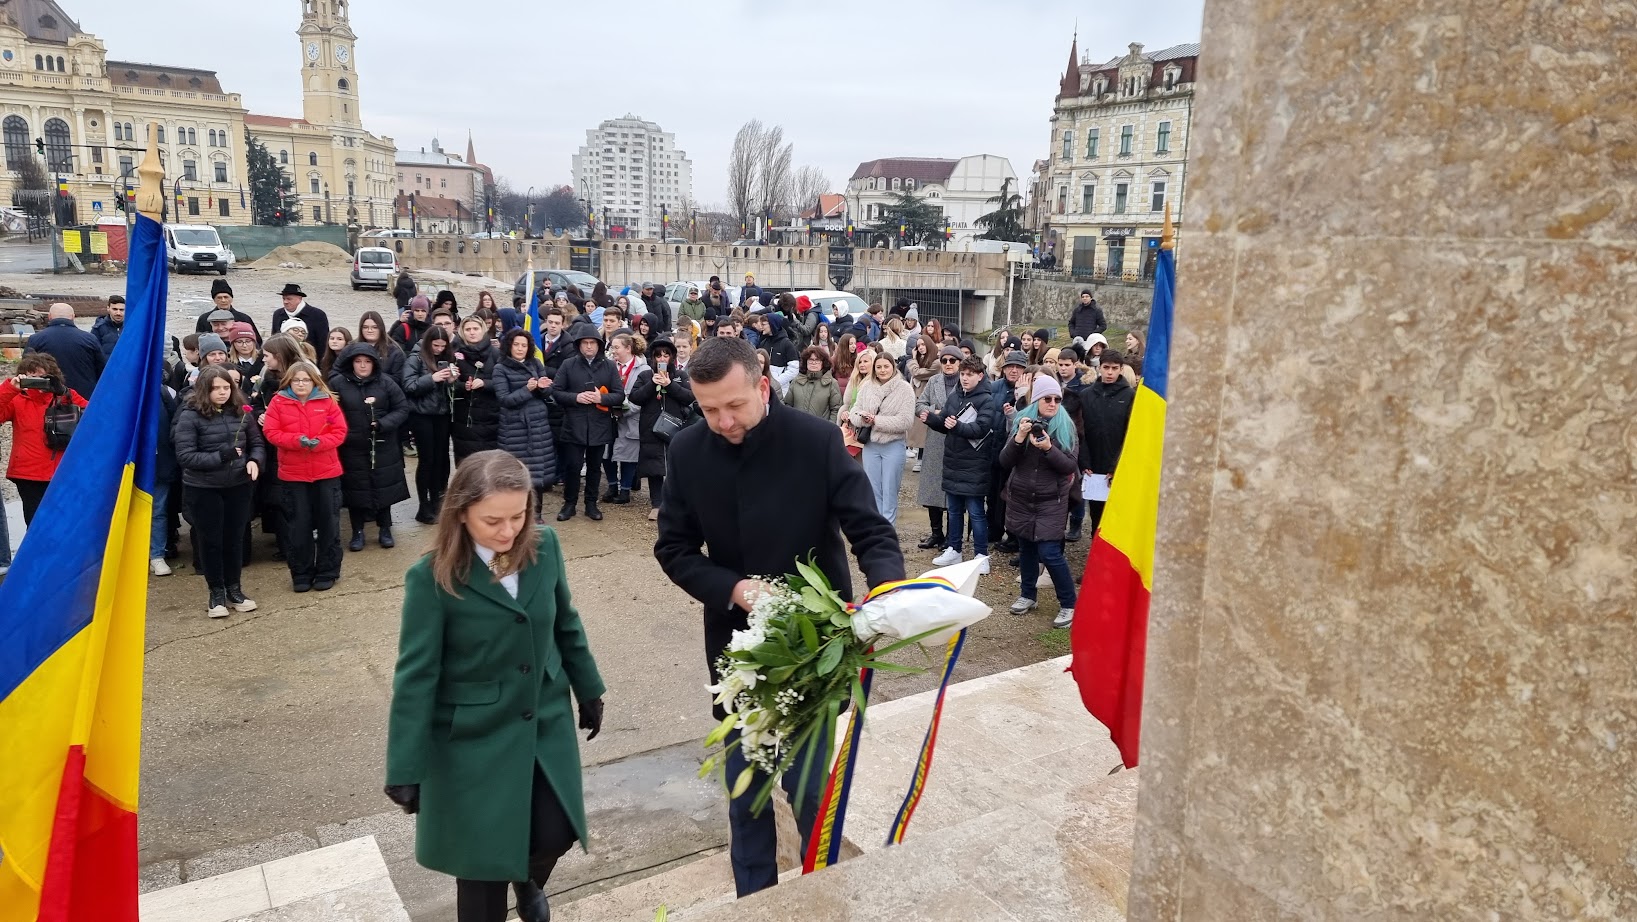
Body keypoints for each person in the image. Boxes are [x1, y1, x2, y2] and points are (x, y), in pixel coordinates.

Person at [655, 336, 904, 899]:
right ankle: (755, 902)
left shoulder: (816, 441)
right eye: (709, 410)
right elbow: (674, 549)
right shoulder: (688, 451)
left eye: (734, 405)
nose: (723, 422)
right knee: (747, 793)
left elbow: (869, 528)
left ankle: (822, 897)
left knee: (812, 792)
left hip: (817, 649)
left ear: (763, 386)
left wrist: (889, 588)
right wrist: (733, 588)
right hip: (737, 648)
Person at [384, 450, 605, 922]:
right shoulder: (432, 578)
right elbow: (416, 675)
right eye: (493, 521)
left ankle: (527, 877)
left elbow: (564, 620)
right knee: (480, 869)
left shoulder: (545, 546)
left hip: (543, 718)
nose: (508, 531)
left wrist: (588, 687)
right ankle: (504, 879)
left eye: (518, 516)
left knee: (555, 833)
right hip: (473, 737)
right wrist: (405, 765)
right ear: (461, 512)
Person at [172, 365, 264, 619]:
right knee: (211, 541)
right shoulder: (190, 415)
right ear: (205, 390)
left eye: (226, 387)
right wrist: (221, 456)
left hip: (238, 485)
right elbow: (185, 456)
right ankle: (216, 593)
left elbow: (256, 443)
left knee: (234, 539)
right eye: (216, 388)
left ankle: (235, 589)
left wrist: (255, 460)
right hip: (204, 488)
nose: (223, 392)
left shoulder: (241, 411)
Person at [999, 374, 1079, 628]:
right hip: (1022, 498)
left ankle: (1069, 604)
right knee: (1027, 550)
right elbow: (1004, 461)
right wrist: (1019, 438)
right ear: (1036, 401)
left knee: (1050, 553)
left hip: (1051, 501)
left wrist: (1048, 448)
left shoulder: (1066, 427)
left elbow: (1069, 466)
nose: (1053, 403)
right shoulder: (1022, 422)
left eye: (1057, 399)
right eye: (1047, 399)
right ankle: (1027, 595)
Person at [262, 360, 347, 592]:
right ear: (289, 382)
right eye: (296, 380)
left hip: (325, 472)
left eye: (306, 380)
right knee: (298, 526)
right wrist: (296, 441)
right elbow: (271, 432)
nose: (301, 384)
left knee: (329, 524)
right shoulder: (278, 402)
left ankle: (327, 570)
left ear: (314, 381)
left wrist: (320, 443)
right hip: (294, 474)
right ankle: (301, 572)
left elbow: (339, 431)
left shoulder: (327, 401)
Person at [330, 342, 412, 551]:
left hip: (382, 444)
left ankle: (385, 528)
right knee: (355, 489)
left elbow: (402, 408)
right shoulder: (338, 384)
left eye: (367, 361)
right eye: (358, 361)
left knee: (384, 487)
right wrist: (344, 433)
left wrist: (383, 424)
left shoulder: (386, 382)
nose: (363, 366)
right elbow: (330, 412)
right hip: (351, 446)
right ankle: (357, 531)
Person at [0, 354, 89, 526]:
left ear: (53, 377)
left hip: (61, 471)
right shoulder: (17, 399)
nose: (37, 382)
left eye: (42, 377)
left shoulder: (66, 396)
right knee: (35, 524)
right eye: (32, 377)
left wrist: (64, 393)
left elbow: (95, 415)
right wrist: (11, 388)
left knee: (63, 522)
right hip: (28, 474)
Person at [925, 355, 996, 572]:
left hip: (975, 465)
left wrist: (956, 426)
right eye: (963, 374)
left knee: (976, 512)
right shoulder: (955, 396)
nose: (964, 378)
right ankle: (954, 549)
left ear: (980, 376)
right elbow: (945, 423)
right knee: (954, 511)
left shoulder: (987, 400)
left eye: (970, 374)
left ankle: (981, 556)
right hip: (953, 462)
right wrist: (931, 419)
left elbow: (981, 428)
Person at [550, 321, 624, 521]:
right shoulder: (569, 364)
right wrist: (576, 397)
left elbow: (619, 395)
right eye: (585, 343)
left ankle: (591, 504)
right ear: (579, 345)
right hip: (574, 424)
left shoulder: (609, 366)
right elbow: (556, 392)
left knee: (594, 467)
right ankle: (569, 503)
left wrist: (602, 398)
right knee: (573, 466)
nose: (589, 347)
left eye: (593, 343)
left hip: (599, 424)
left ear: (599, 345)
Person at [492, 329, 559, 521]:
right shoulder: (500, 368)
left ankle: (536, 514)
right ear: (509, 346)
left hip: (538, 426)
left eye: (524, 345)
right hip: (515, 428)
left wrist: (544, 387)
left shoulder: (535, 363)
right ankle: (516, 513)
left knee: (538, 473)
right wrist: (527, 389)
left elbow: (547, 393)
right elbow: (504, 399)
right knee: (516, 474)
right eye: (516, 345)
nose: (520, 348)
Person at [847, 351, 916, 525]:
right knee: (873, 490)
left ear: (893, 367)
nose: (882, 370)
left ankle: (887, 532)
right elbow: (854, 411)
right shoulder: (866, 387)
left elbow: (906, 421)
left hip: (893, 445)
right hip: (870, 445)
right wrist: (862, 418)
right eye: (878, 367)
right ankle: (876, 530)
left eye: (886, 366)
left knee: (889, 491)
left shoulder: (904, 389)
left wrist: (876, 421)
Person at [629, 336, 692, 522]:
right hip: (650, 427)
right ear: (653, 358)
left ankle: (676, 504)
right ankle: (656, 505)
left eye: (666, 355)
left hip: (674, 426)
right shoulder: (645, 375)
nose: (662, 359)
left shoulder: (680, 375)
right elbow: (635, 397)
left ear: (671, 357)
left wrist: (670, 385)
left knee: (675, 466)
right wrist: (652, 384)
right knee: (654, 467)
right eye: (658, 356)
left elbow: (689, 396)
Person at [401, 326, 458, 523]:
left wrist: (451, 380)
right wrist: (431, 378)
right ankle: (423, 506)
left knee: (441, 459)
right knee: (427, 460)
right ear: (428, 343)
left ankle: (437, 500)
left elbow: (448, 390)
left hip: (441, 414)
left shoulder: (446, 357)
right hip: (421, 415)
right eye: (436, 346)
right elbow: (409, 386)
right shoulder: (415, 359)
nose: (439, 349)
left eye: (442, 346)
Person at [1077, 350, 1135, 535]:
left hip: (1118, 463)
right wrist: (1084, 462)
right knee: (1096, 515)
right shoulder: (1086, 395)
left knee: (1118, 515)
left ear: (1121, 369)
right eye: (1106, 367)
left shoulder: (1130, 396)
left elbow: (1130, 434)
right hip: (1093, 465)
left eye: (1114, 368)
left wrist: (1116, 466)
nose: (1110, 372)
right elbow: (1080, 431)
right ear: (1099, 368)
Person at [600, 332, 647, 506]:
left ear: (628, 348)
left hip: (631, 418)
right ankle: (612, 486)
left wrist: (624, 410)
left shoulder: (643, 369)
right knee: (606, 452)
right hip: (607, 416)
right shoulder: (608, 366)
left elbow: (644, 397)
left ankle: (625, 489)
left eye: (617, 347)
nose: (613, 351)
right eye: (612, 347)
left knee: (629, 454)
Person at [24, 303, 104, 399]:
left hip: (48, 397)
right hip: (83, 396)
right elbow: (102, 369)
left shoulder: (36, 339)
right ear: (73, 317)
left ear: (49, 317)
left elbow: (26, 368)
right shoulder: (90, 339)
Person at [450, 315, 501, 463]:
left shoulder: (495, 353)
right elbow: (449, 383)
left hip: (490, 415)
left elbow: (503, 382)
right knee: (467, 461)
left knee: (489, 462)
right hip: (465, 415)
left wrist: (485, 383)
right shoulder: (455, 354)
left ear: (483, 330)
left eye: (475, 329)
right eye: (468, 329)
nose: (472, 332)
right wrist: (462, 386)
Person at [785, 346, 842, 422]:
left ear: (823, 363)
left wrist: (829, 427)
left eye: (817, 360)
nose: (813, 363)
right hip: (797, 426)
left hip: (821, 428)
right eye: (810, 360)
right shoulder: (796, 381)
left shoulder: (832, 383)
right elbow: (787, 405)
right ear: (806, 362)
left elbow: (836, 409)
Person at [271, 284, 331, 351]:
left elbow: (323, 342)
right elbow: (273, 340)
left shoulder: (317, 315)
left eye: (289, 299)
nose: (285, 302)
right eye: (284, 299)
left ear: (299, 298)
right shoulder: (278, 314)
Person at [359, 310, 407, 381]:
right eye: (365, 327)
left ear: (381, 329)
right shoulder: (351, 348)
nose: (370, 330)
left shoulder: (395, 352)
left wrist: (373, 376)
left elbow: (398, 379)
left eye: (375, 327)